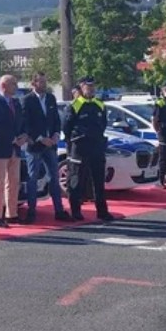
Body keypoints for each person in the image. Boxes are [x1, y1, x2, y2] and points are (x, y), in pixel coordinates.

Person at [21, 71, 71, 223]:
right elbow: (26, 123)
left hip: (51, 145)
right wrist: (40, 138)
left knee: (54, 178)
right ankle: (31, 212)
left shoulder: (50, 98)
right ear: (33, 83)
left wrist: (56, 134)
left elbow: (56, 119)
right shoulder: (26, 100)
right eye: (41, 82)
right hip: (35, 146)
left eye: (45, 81)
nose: (44, 84)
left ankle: (59, 210)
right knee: (33, 178)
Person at [64, 76, 114, 222]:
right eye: (87, 86)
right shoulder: (75, 105)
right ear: (81, 87)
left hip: (96, 146)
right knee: (76, 179)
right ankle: (76, 211)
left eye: (93, 86)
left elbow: (103, 124)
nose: (91, 89)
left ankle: (102, 211)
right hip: (80, 146)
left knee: (98, 180)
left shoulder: (100, 104)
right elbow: (66, 127)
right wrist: (72, 142)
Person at [0, 74, 28, 228]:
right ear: (4, 86)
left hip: (14, 149)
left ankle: (12, 214)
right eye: (13, 84)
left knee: (13, 182)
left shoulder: (15, 103)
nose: (16, 87)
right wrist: (12, 138)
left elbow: (21, 122)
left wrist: (23, 135)